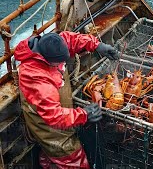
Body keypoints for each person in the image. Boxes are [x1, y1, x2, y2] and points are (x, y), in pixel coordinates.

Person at [14, 31, 119, 168]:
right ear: (47, 60)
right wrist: (84, 114)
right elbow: (54, 117)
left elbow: (72, 39)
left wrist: (98, 46)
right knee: (70, 157)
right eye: (60, 62)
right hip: (49, 126)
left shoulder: (51, 42)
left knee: (50, 153)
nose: (63, 64)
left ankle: (48, 161)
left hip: (61, 112)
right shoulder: (35, 78)